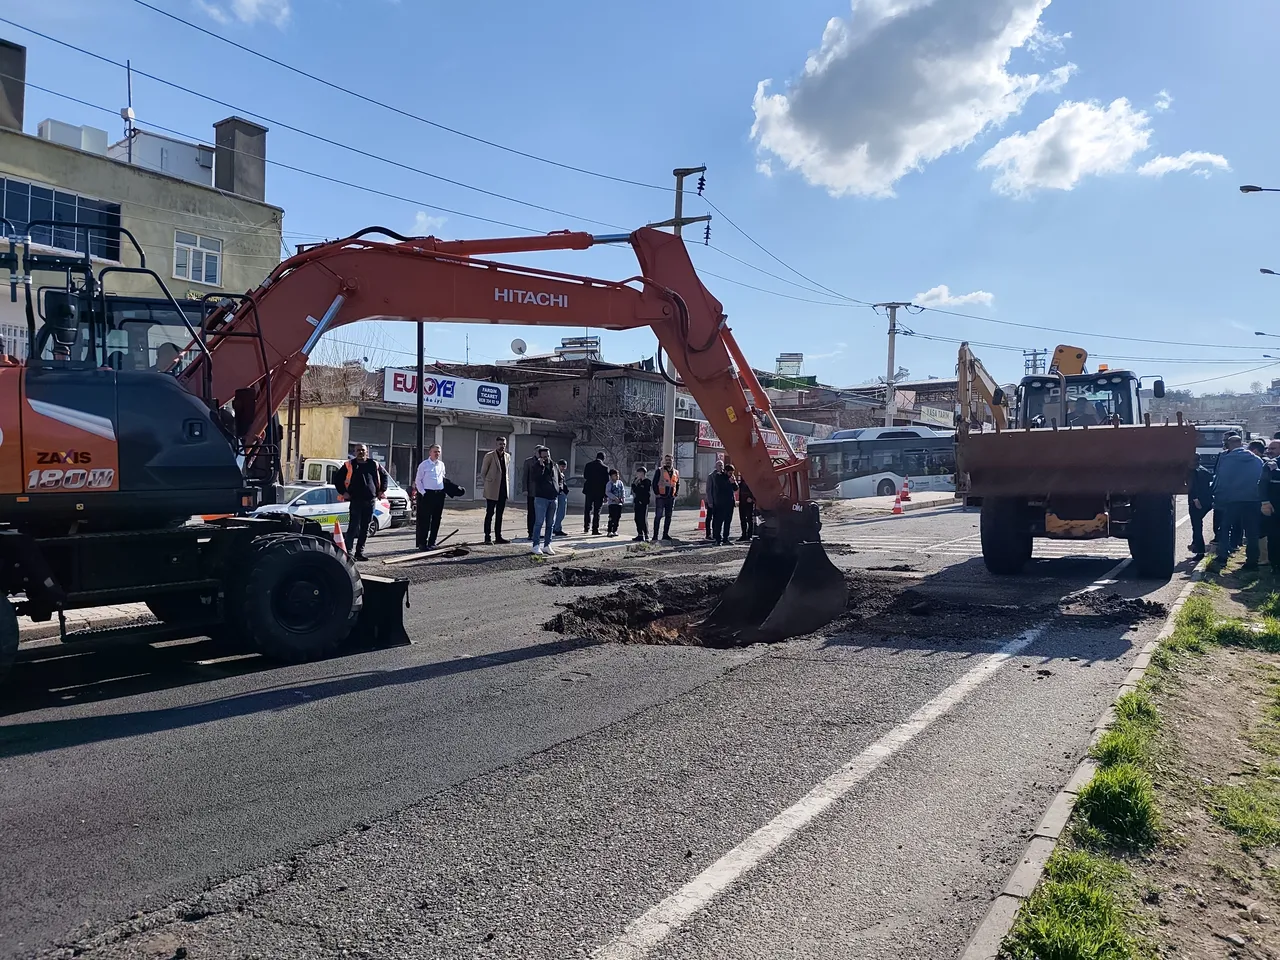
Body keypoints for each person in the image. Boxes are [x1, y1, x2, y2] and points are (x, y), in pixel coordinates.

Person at [1212, 434, 1264, 570]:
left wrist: (1217, 497)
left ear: (1229, 445)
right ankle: (1252, 562)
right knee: (1252, 532)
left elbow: (1220, 480)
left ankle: (1223, 557)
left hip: (1231, 500)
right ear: (1242, 444)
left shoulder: (1226, 459)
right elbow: (1261, 480)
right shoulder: (1257, 460)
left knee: (1225, 528)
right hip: (1253, 500)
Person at [334, 443, 387, 562]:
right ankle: (348, 553)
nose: (360, 452)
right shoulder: (349, 465)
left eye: (362, 450)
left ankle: (359, 553)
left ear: (367, 452)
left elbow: (384, 476)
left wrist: (381, 490)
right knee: (353, 527)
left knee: (365, 528)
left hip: (370, 500)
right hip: (355, 500)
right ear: (354, 452)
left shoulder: (374, 464)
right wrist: (343, 492)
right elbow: (337, 480)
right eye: (358, 450)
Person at [414, 444, 447, 549]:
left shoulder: (441, 464)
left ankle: (432, 542)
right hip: (428, 494)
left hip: (439, 494)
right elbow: (418, 480)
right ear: (430, 452)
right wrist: (423, 492)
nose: (437, 453)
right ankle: (422, 543)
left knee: (436, 519)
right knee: (425, 519)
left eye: (438, 451)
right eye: (435, 451)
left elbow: (443, 478)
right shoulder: (424, 465)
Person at [528, 447, 560, 556]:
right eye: (544, 456)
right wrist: (541, 466)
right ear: (540, 456)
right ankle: (536, 545)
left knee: (550, 523)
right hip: (541, 497)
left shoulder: (554, 465)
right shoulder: (536, 466)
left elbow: (559, 478)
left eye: (548, 456)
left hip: (553, 497)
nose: (547, 458)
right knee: (539, 522)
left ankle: (547, 544)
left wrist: (559, 489)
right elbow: (535, 479)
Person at [480, 436, 510, 545]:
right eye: (500, 444)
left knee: (499, 515)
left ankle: (498, 536)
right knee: (490, 513)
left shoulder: (507, 456)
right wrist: (489, 483)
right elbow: (483, 473)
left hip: (503, 489)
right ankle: (487, 537)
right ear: (496, 445)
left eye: (504, 444)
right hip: (492, 489)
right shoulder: (489, 456)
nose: (502, 446)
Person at [1261, 440, 1280, 571]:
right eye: (1269, 448)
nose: (1269, 451)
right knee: (1274, 536)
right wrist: (1265, 502)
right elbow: (1262, 485)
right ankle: (1275, 565)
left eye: (1273, 448)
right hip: (1275, 507)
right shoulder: (1270, 465)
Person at [1187, 461, 1213, 558]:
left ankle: (1200, 551)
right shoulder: (1204, 470)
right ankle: (1195, 544)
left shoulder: (1192, 472)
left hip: (1196, 502)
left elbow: (1193, 487)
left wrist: (1195, 499)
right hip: (1207, 501)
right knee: (1197, 525)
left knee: (1197, 526)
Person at [709, 460, 737, 545]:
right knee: (719, 522)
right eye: (729, 473)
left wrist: (734, 482)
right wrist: (729, 482)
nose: (731, 475)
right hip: (720, 504)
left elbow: (736, 488)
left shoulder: (731, 478)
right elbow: (721, 487)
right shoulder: (719, 476)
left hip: (729, 503)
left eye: (732, 473)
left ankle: (726, 538)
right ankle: (718, 539)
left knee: (728, 522)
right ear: (725, 471)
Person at [652, 454, 679, 542]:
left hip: (670, 498)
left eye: (669, 460)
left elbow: (677, 484)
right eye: (666, 460)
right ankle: (655, 536)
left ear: (672, 461)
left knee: (668, 517)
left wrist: (675, 494)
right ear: (664, 461)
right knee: (658, 516)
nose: (668, 462)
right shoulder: (659, 471)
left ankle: (665, 535)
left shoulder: (676, 472)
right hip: (661, 497)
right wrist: (657, 493)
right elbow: (654, 483)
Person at [582, 451, 609, 535]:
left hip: (589, 490)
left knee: (587, 509)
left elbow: (585, 476)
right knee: (597, 510)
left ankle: (586, 527)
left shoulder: (588, 465)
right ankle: (595, 529)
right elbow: (606, 482)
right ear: (603, 458)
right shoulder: (605, 468)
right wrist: (606, 495)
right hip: (599, 491)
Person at [523, 446, 544, 540]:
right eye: (538, 451)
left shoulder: (545, 461)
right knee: (531, 512)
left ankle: (538, 532)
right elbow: (525, 476)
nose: (540, 453)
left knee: (540, 513)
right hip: (532, 491)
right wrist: (525, 489)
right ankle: (531, 532)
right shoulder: (529, 461)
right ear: (535, 452)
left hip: (542, 492)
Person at [631, 466, 652, 541]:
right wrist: (634, 484)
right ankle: (640, 534)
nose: (637, 475)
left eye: (638, 473)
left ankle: (646, 534)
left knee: (643, 518)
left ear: (642, 473)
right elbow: (635, 491)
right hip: (637, 502)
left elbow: (645, 492)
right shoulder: (638, 482)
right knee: (637, 518)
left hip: (643, 502)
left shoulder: (647, 481)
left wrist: (643, 500)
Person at [736, 470, 756, 541]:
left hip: (749, 503)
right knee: (743, 519)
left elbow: (756, 491)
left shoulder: (751, 482)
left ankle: (749, 535)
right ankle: (744, 535)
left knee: (749, 519)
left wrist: (752, 498)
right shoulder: (742, 483)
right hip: (742, 502)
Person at [605, 469, 625, 537]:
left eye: (618, 475)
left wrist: (623, 498)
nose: (617, 476)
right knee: (612, 517)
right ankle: (609, 530)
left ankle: (615, 530)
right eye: (615, 475)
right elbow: (607, 492)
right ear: (611, 476)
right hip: (612, 503)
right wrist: (614, 498)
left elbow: (622, 491)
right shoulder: (609, 483)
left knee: (618, 517)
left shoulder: (620, 483)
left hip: (619, 503)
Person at [554, 459, 571, 536]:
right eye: (562, 466)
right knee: (559, 512)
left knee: (561, 512)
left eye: (565, 466)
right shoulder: (555, 473)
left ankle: (557, 527)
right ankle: (556, 528)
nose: (563, 468)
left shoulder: (561, 474)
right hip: (559, 494)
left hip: (562, 493)